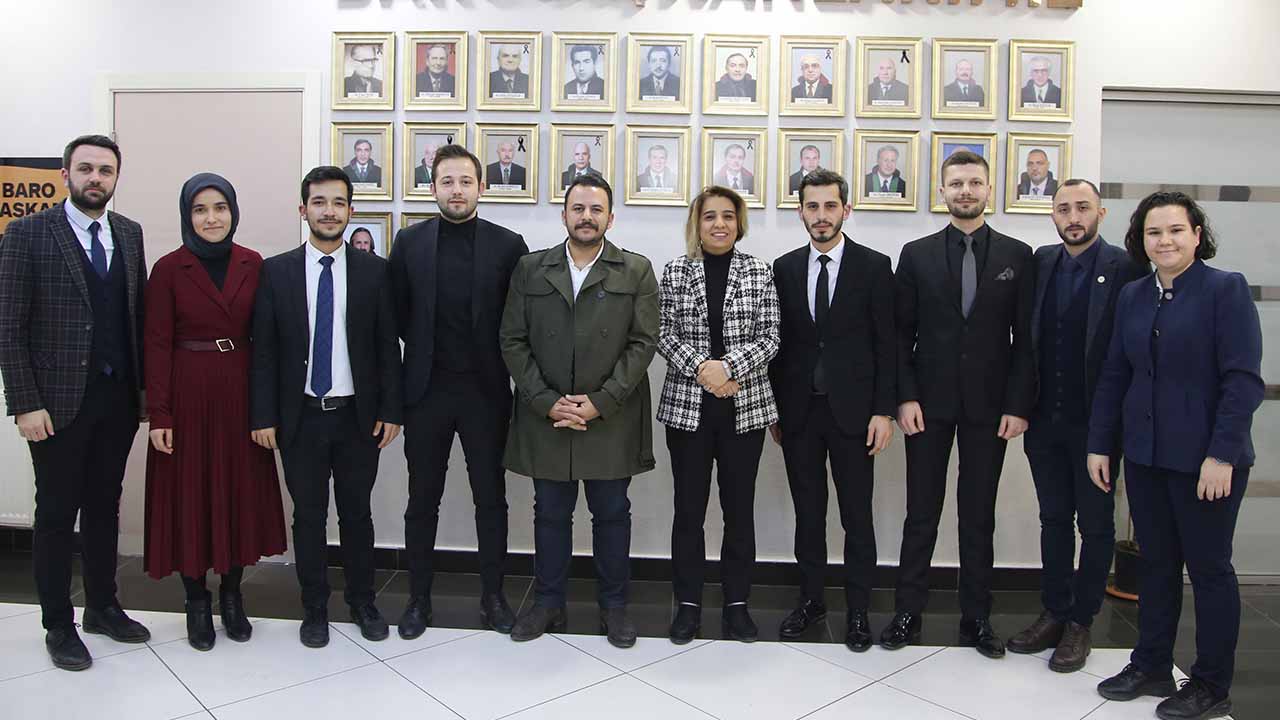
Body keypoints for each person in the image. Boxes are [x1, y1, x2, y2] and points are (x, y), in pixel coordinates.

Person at [1088, 192, 1263, 720]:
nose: (1164, 241)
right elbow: (1116, 373)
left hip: (1208, 463)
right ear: (1140, 241)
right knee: (1157, 566)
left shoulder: (1225, 289)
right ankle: (1151, 664)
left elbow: (1242, 381)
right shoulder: (1134, 295)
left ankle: (1211, 684)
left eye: (1175, 230)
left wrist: (1222, 455)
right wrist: (1100, 443)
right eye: (1153, 232)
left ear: (1196, 235)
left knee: (1209, 571)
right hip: (1146, 456)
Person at [0, 134, 151, 671]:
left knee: (105, 507)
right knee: (57, 514)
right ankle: (58, 624)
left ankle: (103, 607)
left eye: (105, 171)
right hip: (55, 404)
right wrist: (24, 402)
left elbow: (136, 317)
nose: (95, 179)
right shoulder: (28, 233)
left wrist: (145, 395)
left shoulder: (129, 233)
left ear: (116, 178)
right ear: (66, 174)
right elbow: (8, 326)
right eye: (85, 169)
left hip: (118, 401)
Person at [884, 150, 1035, 659]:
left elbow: (1025, 340)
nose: (965, 191)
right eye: (956, 183)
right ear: (942, 191)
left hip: (991, 408)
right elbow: (900, 335)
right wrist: (905, 396)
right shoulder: (916, 254)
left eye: (974, 182)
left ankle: (977, 618)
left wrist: (1018, 403)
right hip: (927, 404)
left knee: (978, 514)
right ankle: (908, 612)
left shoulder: (1018, 255)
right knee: (921, 512)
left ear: (989, 189)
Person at [500, 174, 659, 648]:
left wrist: (600, 402)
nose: (586, 217)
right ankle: (548, 602)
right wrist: (547, 401)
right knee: (550, 513)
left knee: (612, 514)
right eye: (578, 208)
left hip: (610, 417)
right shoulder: (531, 268)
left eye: (596, 209)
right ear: (564, 214)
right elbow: (512, 339)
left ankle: (614, 606)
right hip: (547, 415)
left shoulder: (636, 270)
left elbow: (643, 343)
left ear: (611, 217)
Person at [250, 166, 403, 648]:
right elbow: (264, 350)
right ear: (303, 210)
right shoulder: (276, 272)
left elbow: (387, 348)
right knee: (309, 517)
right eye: (319, 202)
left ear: (351, 210)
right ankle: (314, 608)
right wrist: (263, 416)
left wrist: (392, 410)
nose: (329, 211)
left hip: (358, 417)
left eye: (338, 202)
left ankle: (363, 602)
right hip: (300, 418)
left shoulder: (375, 271)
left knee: (357, 514)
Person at [1004, 179, 1146, 671]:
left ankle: (1081, 622)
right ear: (1053, 216)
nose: (1073, 217)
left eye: (1082, 207)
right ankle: (1054, 612)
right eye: (1063, 209)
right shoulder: (1040, 261)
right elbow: (1025, 343)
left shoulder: (1127, 268)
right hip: (1045, 420)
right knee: (1053, 519)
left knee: (1096, 524)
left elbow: (1129, 354)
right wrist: (1019, 405)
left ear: (1100, 213)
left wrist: (1111, 430)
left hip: (1097, 427)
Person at [143, 173, 288, 651]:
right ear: (187, 216)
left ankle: (231, 595)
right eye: (200, 209)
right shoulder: (169, 268)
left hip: (241, 393)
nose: (211, 218)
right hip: (187, 394)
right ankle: (195, 600)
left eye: (220, 208)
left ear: (233, 212)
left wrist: (266, 409)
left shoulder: (253, 263)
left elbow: (268, 341)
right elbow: (156, 345)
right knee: (189, 495)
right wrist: (160, 414)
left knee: (237, 493)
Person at [389, 145, 529, 639]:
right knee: (421, 499)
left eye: (466, 181)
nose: (456, 190)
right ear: (432, 188)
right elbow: (397, 315)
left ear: (481, 187)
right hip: (426, 391)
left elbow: (519, 321)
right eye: (447, 182)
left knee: (490, 499)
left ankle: (494, 597)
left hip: (485, 392)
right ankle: (418, 600)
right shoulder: (409, 243)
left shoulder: (508, 245)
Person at [769, 170, 896, 652]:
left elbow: (887, 344)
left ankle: (858, 609)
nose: (821, 216)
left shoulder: (874, 266)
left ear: (846, 209)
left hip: (855, 416)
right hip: (799, 414)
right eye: (812, 207)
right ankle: (811, 601)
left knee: (856, 516)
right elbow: (778, 346)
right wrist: (774, 409)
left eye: (829, 206)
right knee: (808, 514)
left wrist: (884, 411)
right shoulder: (783, 268)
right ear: (800, 211)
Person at [657, 186, 779, 644]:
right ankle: (688, 604)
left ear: (738, 222)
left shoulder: (759, 272)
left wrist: (727, 369)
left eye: (728, 215)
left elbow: (771, 337)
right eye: (710, 216)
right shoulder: (675, 271)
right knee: (688, 511)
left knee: (738, 511)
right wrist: (703, 370)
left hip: (743, 410)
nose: (719, 224)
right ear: (697, 223)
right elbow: (662, 332)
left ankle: (736, 605)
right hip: (688, 411)